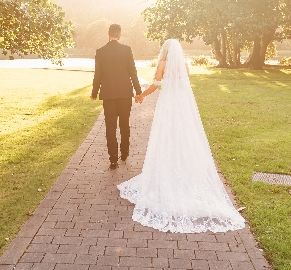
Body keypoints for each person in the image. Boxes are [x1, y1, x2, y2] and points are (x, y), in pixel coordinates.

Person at [118, 39, 246, 233]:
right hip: (182, 106)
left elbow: (156, 85)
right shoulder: (185, 65)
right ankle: (184, 168)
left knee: (166, 137)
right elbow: (184, 86)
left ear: (165, 51)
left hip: (168, 105)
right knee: (183, 137)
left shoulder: (162, 64)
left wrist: (141, 95)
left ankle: (167, 169)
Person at [91, 24, 142, 170]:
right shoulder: (126, 50)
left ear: (108, 33)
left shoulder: (100, 52)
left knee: (110, 126)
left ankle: (113, 159)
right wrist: (138, 91)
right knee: (124, 124)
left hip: (109, 95)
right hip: (125, 94)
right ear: (119, 35)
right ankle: (124, 153)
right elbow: (133, 72)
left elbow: (98, 75)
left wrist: (94, 93)